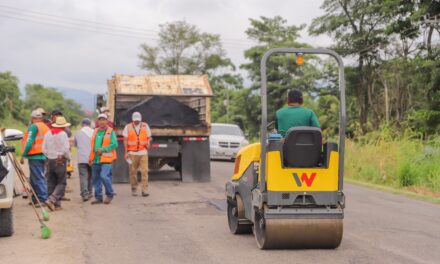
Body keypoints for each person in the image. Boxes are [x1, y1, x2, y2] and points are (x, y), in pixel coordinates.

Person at [21, 110, 50, 205]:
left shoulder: (34, 126)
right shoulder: (45, 127)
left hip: (35, 156)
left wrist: (23, 155)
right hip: (44, 156)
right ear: (41, 118)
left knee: (38, 178)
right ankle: (35, 198)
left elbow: (29, 142)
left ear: (32, 118)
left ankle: (43, 199)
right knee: (34, 178)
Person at [42, 116, 71, 211]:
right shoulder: (63, 134)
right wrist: (68, 158)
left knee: (51, 182)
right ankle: (52, 200)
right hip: (60, 160)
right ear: (63, 126)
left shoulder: (47, 134)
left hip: (50, 160)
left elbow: (43, 149)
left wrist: (49, 156)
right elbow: (66, 149)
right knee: (62, 182)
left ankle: (57, 205)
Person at [89, 113, 118, 204]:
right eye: (100, 120)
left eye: (104, 120)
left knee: (104, 176)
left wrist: (103, 149)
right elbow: (93, 146)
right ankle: (98, 197)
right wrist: (90, 158)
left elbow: (114, 144)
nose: (102, 121)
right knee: (96, 179)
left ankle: (110, 194)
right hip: (96, 159)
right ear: (98, 121)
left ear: (107, 121)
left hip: (106, 159)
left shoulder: (111, 131)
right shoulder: (95, 131)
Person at [123, 112, 152, 197]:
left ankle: (144, 190)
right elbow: (125, 140)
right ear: (132, 119)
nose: (137, 122)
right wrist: (126, 152)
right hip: (132, 153)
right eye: (135, 120)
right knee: (132, 172)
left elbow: (149, 136)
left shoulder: (145, 126)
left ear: (141, 119)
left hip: (143, 152)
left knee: (144, 171)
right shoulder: (127, 127)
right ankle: (134, 188)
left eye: (138, 120)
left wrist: (149, 141)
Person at [74, 118, 94, 202]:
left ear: (82, 124)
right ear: (89, 124)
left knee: (83, 177)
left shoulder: (78, 133)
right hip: (92, 158)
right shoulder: (94, 132)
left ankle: (84, 194)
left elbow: (75, 145)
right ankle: (90, 192)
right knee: (91, 176)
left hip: (82, 158)